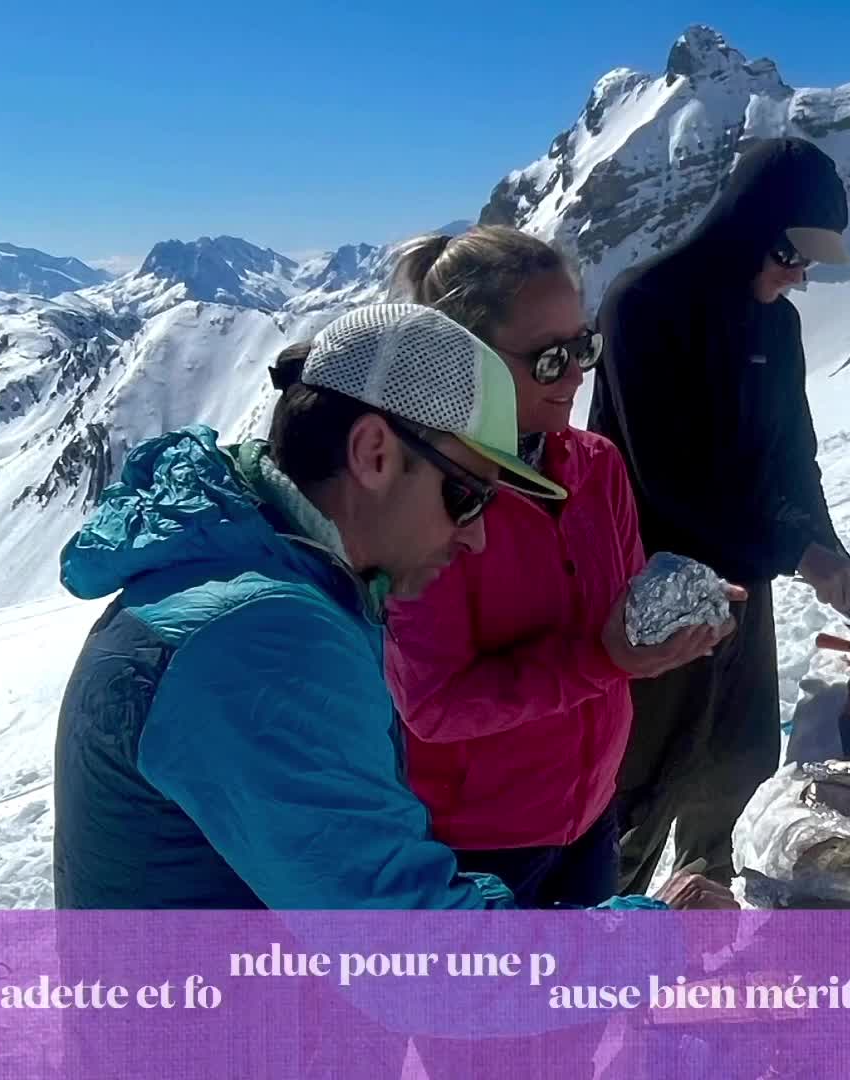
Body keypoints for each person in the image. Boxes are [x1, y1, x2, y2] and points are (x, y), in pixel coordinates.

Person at [49, 302, 727, 910]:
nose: (477, 536)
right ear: (374, 453)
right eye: (467, 496)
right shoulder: (263, 640)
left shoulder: (255, 579)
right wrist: (653, 932)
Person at [383, 226, 743, 910]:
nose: (578, 376)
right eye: (550, 360)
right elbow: (433, 706)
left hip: (591, 811)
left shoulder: (595, 464)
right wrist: (606, 660)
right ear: (467, 360)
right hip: (477, 843)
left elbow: (619, 611)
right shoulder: (428, 495)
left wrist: (675, 609)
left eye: (583, 348)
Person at [587, 136, 850, 894]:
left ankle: (704, 900)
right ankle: (608, 918)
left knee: (736, 759)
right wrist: (800, 554)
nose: (798, 274)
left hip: (741, 579)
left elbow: (793, 460)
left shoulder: (777, 326)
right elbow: (669, 478)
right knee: (642, 778)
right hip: (647, 584)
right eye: (790, 253)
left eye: (809, 263)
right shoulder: (644, 303)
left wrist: (832, 555)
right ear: (745, 224)